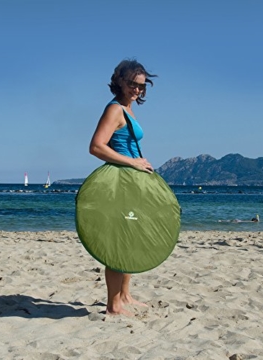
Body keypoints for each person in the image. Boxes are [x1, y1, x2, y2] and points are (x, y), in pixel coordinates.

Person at [89, 59, 157, 316]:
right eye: (132, 84)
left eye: (141, 86)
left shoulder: (128, 110)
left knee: (130, 238)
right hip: (118, 182)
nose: (137, 90)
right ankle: (113, 305)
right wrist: (132, 162)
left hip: (131, 181)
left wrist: (139, 166)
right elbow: (96, 146)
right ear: (119, 81)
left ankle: (125, 295)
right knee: (119, 241)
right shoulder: (115, 109)